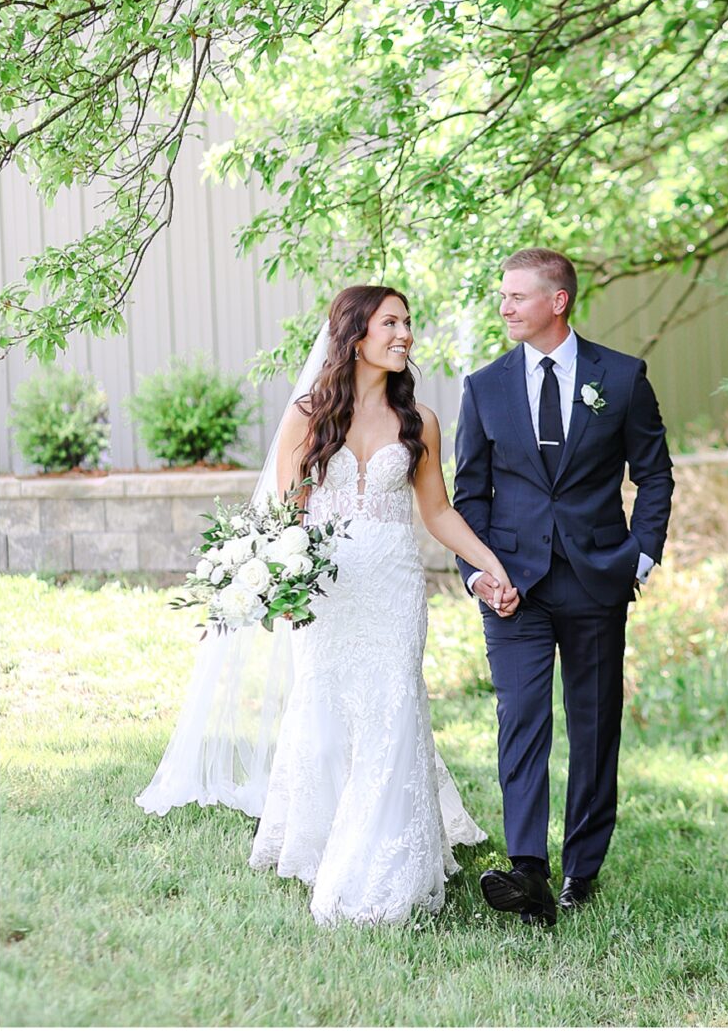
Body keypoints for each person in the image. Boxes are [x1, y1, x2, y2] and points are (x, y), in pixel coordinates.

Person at [138, 284, 517, 928]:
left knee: (394, 704)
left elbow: (438, 511)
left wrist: (491, 563)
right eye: (391, 322)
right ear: (355, 334)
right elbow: (285, 515)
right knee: (327, 704)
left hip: (395, 586)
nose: (405, 334)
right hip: (328, 590)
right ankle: (323, 837)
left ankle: (393, 857)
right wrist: (278, 585)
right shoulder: (308, 415)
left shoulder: (419, 420)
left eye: (408, 323)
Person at [453, 247, 673, 925]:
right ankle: (527, 871)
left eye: (518, 296)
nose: (505, 307)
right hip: (512, 587)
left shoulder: (622, 377)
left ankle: (581, 869)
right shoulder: (483, 386)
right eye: (502, 296)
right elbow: (469, 494)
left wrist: (639, 556)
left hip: (596, 580)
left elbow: (655, 475)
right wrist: (479, 574)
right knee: (521, 720)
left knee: (593, 725)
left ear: (558, 301)